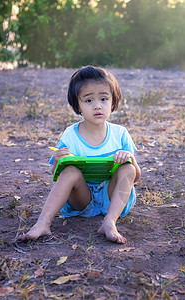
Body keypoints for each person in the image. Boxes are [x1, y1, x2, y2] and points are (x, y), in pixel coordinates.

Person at [18, 66, 141, 244]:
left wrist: (129, 159)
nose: (97, 105)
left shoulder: (120, 134)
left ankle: (109, 222)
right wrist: (59, 161)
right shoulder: (70, 135)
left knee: (127, 168)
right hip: (82, 199)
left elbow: (135, 177)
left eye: (104, 98)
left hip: (112, 197)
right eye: (89, 100)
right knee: (70, 171)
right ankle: (42, 223)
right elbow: (56, 177)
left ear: (113, 102)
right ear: (78, 106)